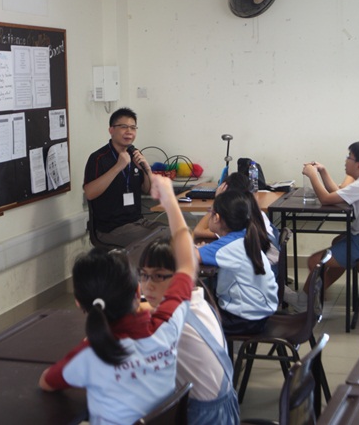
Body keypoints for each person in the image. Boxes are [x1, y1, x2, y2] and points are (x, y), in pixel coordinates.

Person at [39, 175, 196, 425]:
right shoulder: (166, 325)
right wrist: (169, 201)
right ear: (137, 292)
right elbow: (187, 263)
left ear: (79, 303)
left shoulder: (89, 355)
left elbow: (47, 382)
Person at [138, 236, 240, 425]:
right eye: (144, 275)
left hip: (205, 418)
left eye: (158, 276)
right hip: (225, 411)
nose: (147, 286)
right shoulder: (200, 302)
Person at [286, 141, 359, 312]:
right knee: (338, 242)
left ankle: (304, 302)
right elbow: (336, 194)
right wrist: (323, 171)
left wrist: (313, 176)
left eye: (349, 157)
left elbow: (325, 199)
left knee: (314, 261)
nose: (345, 160)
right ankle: (316, 294)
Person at [195, 190, 279, 335]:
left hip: (244, 320)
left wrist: (197, 249)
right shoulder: (245, 235)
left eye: (210, 212)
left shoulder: (227, 245)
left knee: (190, 314)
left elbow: (187, 256)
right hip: (260, 313)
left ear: (216, 218)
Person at [84, 107, 165, 248]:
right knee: (159, 242)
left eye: (133, 128)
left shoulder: (135, 154)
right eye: (123, 127)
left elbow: (147, 189)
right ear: (111, 130)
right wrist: (118, 167)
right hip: (111, 228)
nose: (129, 131)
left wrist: (146, 169)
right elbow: (90, 193)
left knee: (176, 233)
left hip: (138, 222)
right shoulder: (98, 158)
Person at [194, 172, 280, 272]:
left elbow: (197, 233)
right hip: (269, 275)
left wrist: (218, 201)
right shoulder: (252, 219)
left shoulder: (231, 238)